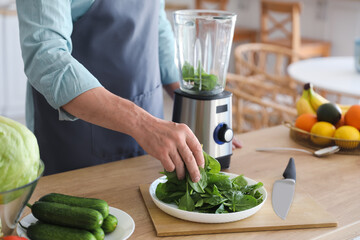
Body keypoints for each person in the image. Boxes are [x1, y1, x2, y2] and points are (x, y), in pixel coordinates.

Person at [15, 0, 241, 181]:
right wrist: (142, 124)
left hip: (150, 128)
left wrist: (201, 110)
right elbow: (46, 57)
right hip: (77, 141)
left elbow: (156, 24)